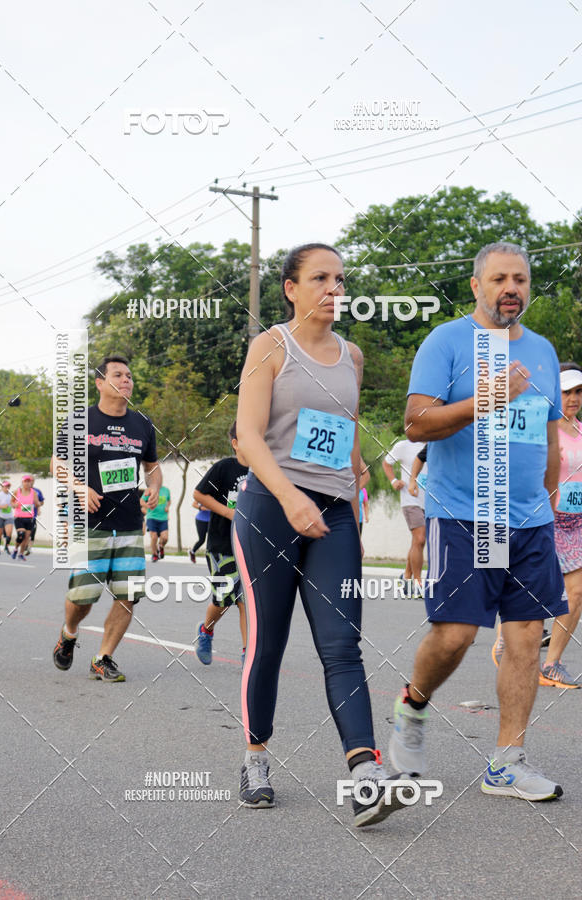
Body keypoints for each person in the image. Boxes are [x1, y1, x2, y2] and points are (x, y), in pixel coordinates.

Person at [232, 242, 413, 827]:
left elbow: (349, 438)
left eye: (340, 279)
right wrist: (290, 497)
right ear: (291, 288)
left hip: (332, 514)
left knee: (341, 644)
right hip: (269, 508)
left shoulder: (352, 355)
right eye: (320, 279)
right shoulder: (269, 347)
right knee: (268, 644)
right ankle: (256, 756)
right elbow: (249, 437)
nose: (334, 289)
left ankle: (365, 774)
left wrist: (353, 513)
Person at [390, 241, 568, 802]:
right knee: (457, 634)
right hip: (465, 515)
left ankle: (507, 762)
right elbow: (416, 424)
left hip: (530, 522)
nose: (509, 288)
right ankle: (413, 706)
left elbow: (545, 434)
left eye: (519, 278)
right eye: (498, 279)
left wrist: (546, 498)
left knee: (525, 640)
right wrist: (488, 396)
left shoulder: (541, 350)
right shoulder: (446, 341)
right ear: (476, 285)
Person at [52, 355, 162, 682]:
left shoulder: (142, 424)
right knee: (83, 595)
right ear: (100, 383)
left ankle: (103, 658)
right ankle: (69, 632)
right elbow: (57, 464)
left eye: (129, 375)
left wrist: (155, 487)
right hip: (91, 523)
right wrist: (79, 486)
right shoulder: (79, 421)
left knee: (128, 594)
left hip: (130, 522)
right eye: (118, 374)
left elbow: (152, 467)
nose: (126, 380)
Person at [537, 364, 582, 687]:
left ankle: (551, 663)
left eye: (578, 392)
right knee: (539, 588)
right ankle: (508, 639)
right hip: (547, 519)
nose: (573, 398)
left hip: (577, 521)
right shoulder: (544, 429)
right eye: (567, 392)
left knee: (577, 592)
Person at [193, 422, 249, 666]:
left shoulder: (263, 470)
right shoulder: (224, 468)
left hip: (251, 545)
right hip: (221, 545)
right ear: (235, 443)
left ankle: (249, 653)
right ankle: (206, 630)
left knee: (246, 600)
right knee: (224, 599)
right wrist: (229, 513)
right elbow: (199, 495)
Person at [383, 438, 426, 584]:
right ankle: (418, 582)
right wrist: (394, 481)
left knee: (417, 541)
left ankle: (406, 576)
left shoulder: (437, 444)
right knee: (420, 538)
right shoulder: (404, 445)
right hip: (410, 499)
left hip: (431, 501)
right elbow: (386, 463)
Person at [11, 475, 40, 560]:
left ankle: (21, 554)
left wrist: (37, 504)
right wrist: (14, 505)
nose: (27, 483)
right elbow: (11, 502)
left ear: (31, 483)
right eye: (25, 481)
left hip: (29, 518)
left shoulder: (33, 492)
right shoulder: (17, 491)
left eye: (29, 481)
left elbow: (37, 503)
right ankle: (15, 549)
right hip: (19, 517)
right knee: (21, 535)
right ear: (22, 482)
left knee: (26, 538)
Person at [143, 485, 170, 562]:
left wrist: (167, 507)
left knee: (165, 538)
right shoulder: (149, 490)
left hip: (163, 518)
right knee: (154, 537)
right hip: (152, 517)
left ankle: (161, 546)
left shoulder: (166, 490)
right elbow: (141, 501)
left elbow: (169, 501)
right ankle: (154, 554)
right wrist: (148, 506)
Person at [0, 479, 14, 555]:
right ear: (2, 487)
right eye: (5, 486)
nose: (7, 488)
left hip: (9, 517)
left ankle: (6, 547)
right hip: (0, 516)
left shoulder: (11, 495)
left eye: (8, 486)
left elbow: (14, 504)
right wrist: (2, 507)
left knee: (9, 533)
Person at [25, 475, 45, 555]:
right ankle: (25, 546)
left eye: (32, 480)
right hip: (23, 515)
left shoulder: (37, 491)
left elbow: (41, 501)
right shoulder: (22, 490)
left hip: (33, 515)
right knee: (24, 532)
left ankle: (29, 548)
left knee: (32, 531)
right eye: (29, 480)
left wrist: (39, 505)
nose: (31, 482)